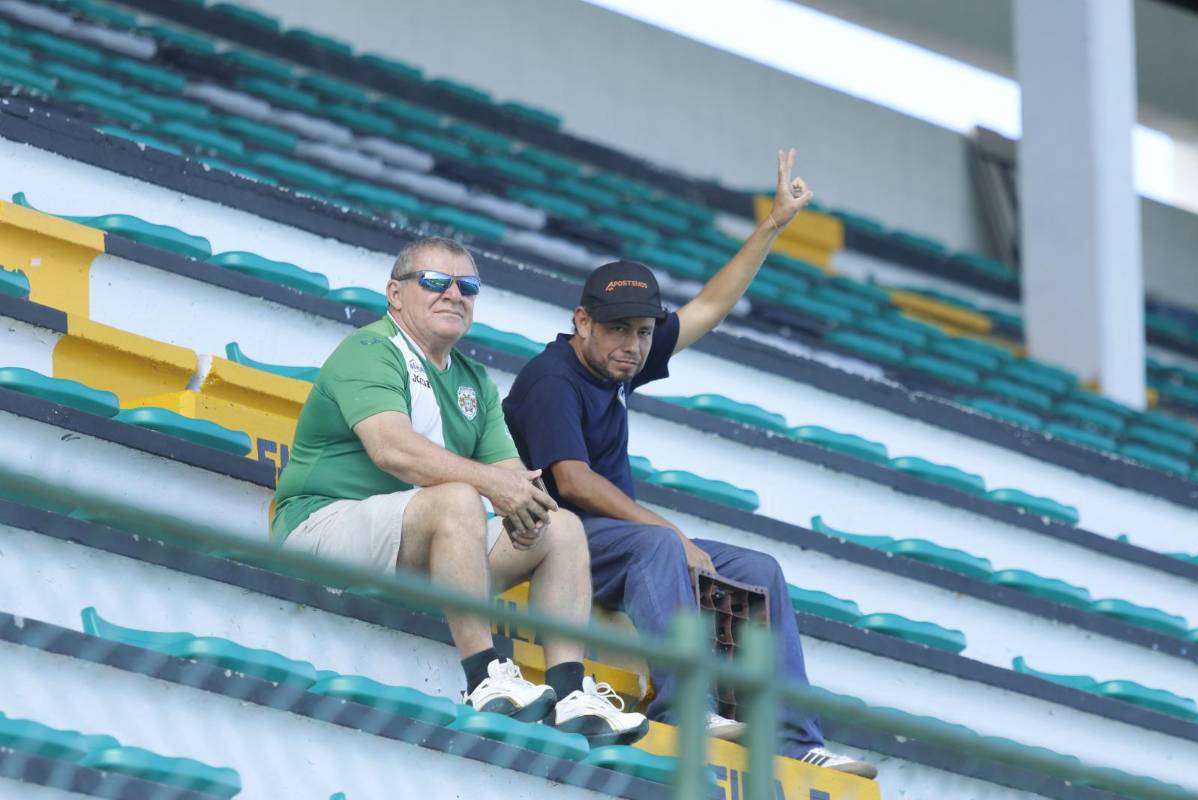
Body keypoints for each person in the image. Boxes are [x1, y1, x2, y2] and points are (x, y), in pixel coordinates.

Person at [503, 151, 875, 778]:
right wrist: (670, 533)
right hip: (554, 542)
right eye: (619, 330)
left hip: (618, 542)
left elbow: (707, 308)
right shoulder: (551, 377)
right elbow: (571, 482)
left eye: (644, 332)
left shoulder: (619, 358)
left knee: (761, 568)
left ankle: (788, 735)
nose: (634, 345)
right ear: (582, 321)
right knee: (659, 547)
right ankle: (682, 706)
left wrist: (773, 225)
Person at [272, 236, 647, 746]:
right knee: (457, 497)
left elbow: (517, 481)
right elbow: (392, 450)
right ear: (395, 293)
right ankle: (484, 677)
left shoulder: (475, 381)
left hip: (412, 545)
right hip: (323, 530)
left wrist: (524, 500)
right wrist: (494, 484)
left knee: (559, 527)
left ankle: (568, 690)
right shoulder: (370, 349)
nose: (454, 294)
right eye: (434, 282)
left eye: (467, 286)